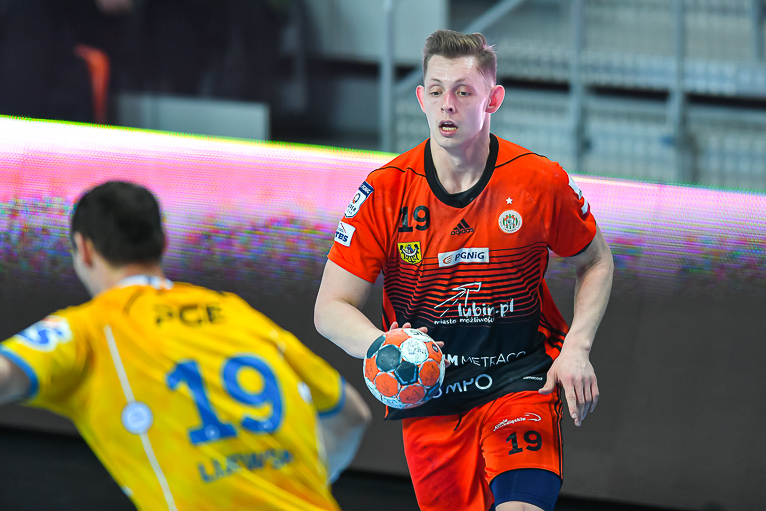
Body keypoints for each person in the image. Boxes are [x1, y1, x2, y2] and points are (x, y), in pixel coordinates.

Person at [314, 30, 614, 511]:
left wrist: (577, 348)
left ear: (492, 99)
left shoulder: (539, 180)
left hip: (520, 380)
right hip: (427, 395)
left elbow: (595, 260)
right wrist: (383, 348)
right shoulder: (385, 191)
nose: (447, 105)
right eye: (436, 91)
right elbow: (330, 307)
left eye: (463, 92)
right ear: (421, 99)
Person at [0, 180, 371, 510]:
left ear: (83, 248)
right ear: (162, 242)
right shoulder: (235, 312)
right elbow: (351, 415)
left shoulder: (91, 328)